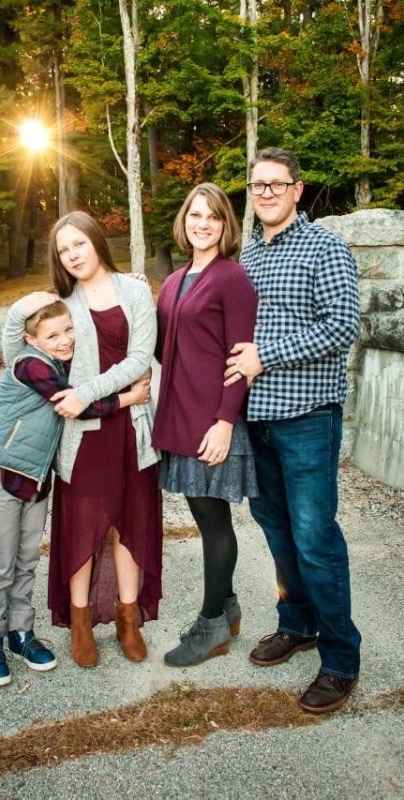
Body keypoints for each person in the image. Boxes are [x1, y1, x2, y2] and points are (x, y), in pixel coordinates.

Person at [224, 147, 362, 713]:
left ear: (298, 190)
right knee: (279, 535)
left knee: (315, 539)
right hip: (256, 423)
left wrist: (268, 356)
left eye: (276, 185)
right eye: (257, 186)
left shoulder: (324, 247)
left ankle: (340, 659)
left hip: (307, 419)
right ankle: (296, 623)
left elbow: (342, 326)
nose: (266, 194)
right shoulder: (248, 253)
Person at [2, 212, 162, 668]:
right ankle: (80, 621)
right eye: (63, 249)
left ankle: (129, 619)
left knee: (131, 522)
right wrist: (23, 307)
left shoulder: (134, 290)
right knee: (81, 526)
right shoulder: (61, 304)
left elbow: (139, 358)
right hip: (82, 433)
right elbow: (16, 354)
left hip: (131, 424)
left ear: (96, 241)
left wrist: (88, 391)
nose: (73, 254)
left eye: (79, 244)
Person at [0, 292, 151, 687]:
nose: (65, 340)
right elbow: (78, 406)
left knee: (26, 560)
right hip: (2, 471)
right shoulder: (31, 364)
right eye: (53, 334)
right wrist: (131, 397)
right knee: (1, 565)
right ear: (33, 339)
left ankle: (21, 634)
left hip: (37, 476)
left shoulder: (60, 362)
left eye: (69, 330)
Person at [152, 183, 259, 666]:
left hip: (212, 422)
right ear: (184, 220)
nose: (202, 223)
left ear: (225, 225)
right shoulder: (174, 281)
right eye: (195, 214)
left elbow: (241, 358)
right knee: (205, 518)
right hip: (181, 419)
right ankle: (229, 607)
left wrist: (224, 422)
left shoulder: (231, 278)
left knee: (213, 523)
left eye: (213, 217)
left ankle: (212, 624)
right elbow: (161, 349)